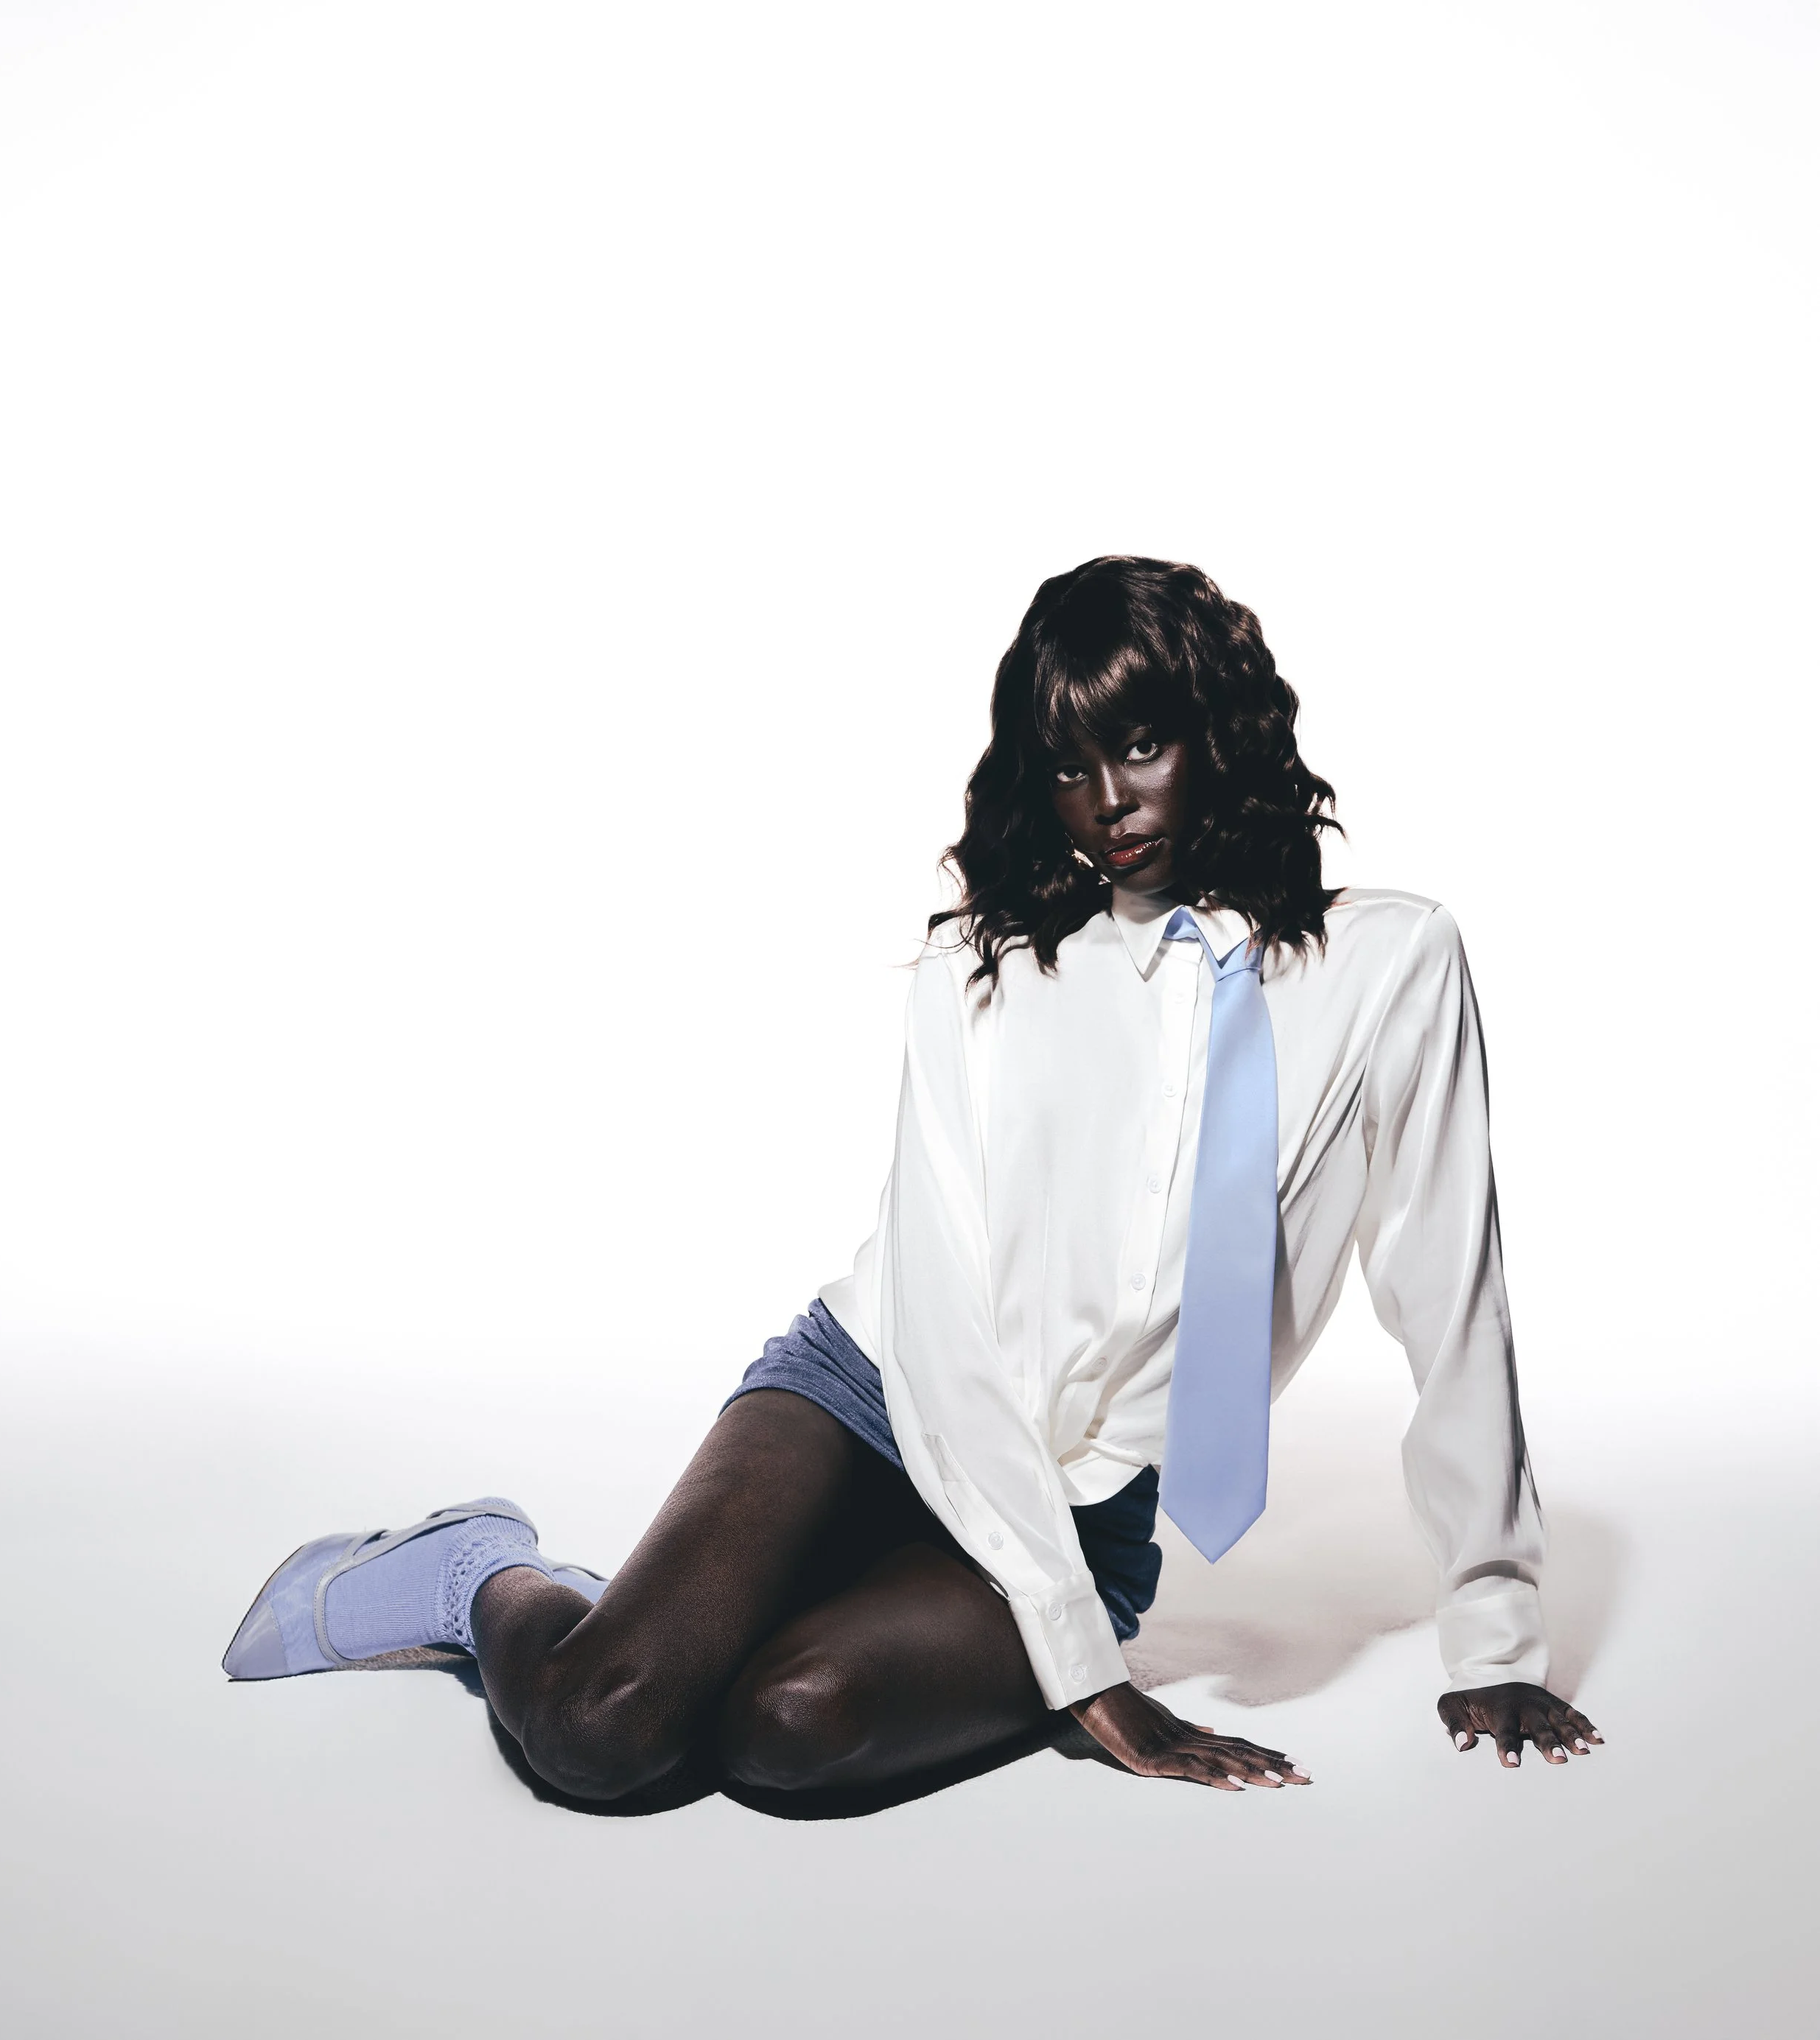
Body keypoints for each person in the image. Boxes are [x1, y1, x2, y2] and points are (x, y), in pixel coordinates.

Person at [223, 556, 1602, 1802]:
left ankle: (765, 1612)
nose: (1109, 803)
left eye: (1140, 744)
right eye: (1068, 767)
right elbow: (944, 1330)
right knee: (606, 1722)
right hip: (872, 1396)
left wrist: (1496, 1635)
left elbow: (1451, 1291)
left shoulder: (1391, 967)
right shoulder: (985, 973)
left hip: (1078, 1501)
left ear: (1218, 731)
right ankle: (481, 1569)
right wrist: (1085, 1675)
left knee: (787, 1730)